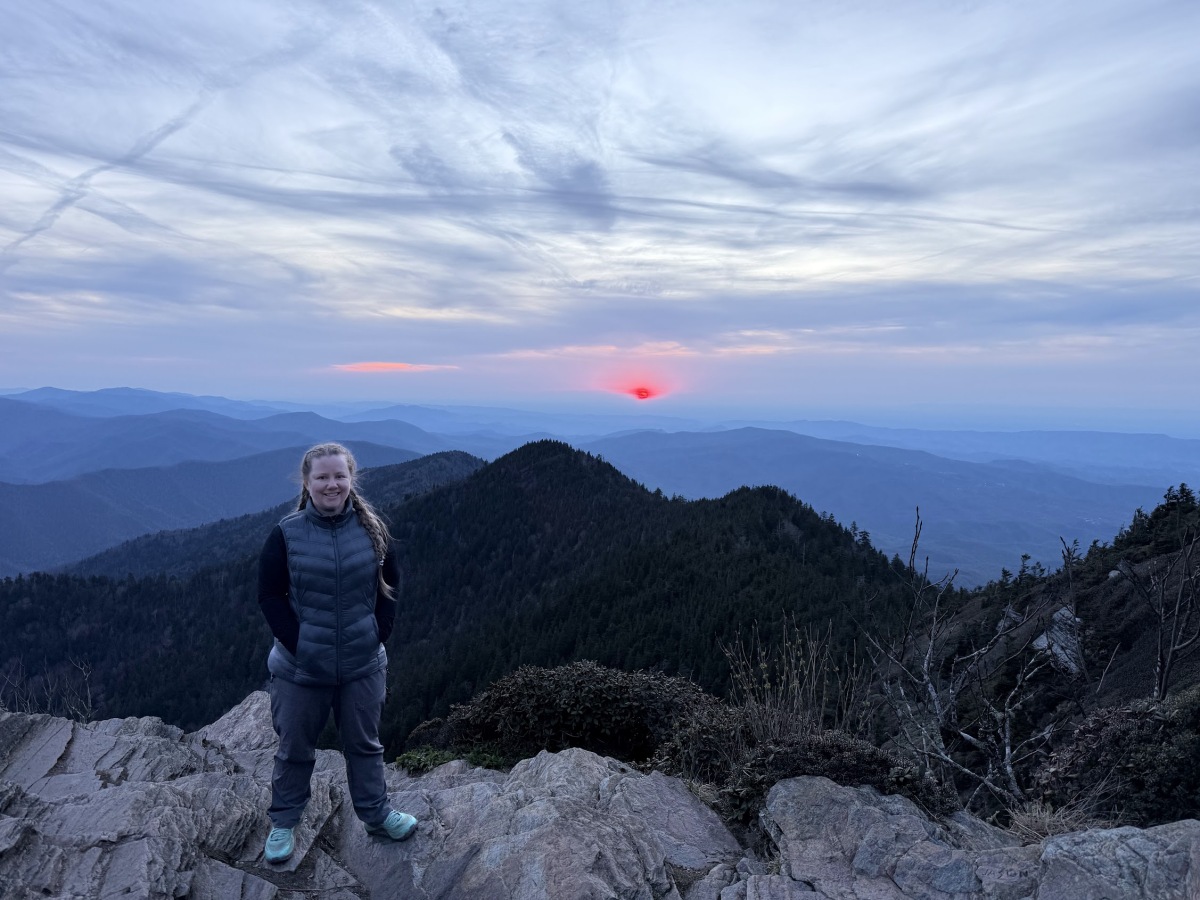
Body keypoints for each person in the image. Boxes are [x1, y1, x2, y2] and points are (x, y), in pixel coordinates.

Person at [256, 442, 416, 864]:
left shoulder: (373, 529)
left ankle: (377, 815)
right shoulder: (286, 534)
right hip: (301, 668)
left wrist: (380, 632)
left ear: (351, 479)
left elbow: (391, 584)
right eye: (323, 477)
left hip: (363, 664)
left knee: (365, 745)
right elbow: (270, 595)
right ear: (307, 482)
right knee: (295, 747)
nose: (332, 484)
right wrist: (299, 644)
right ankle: (284, 822)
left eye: (339, 476)